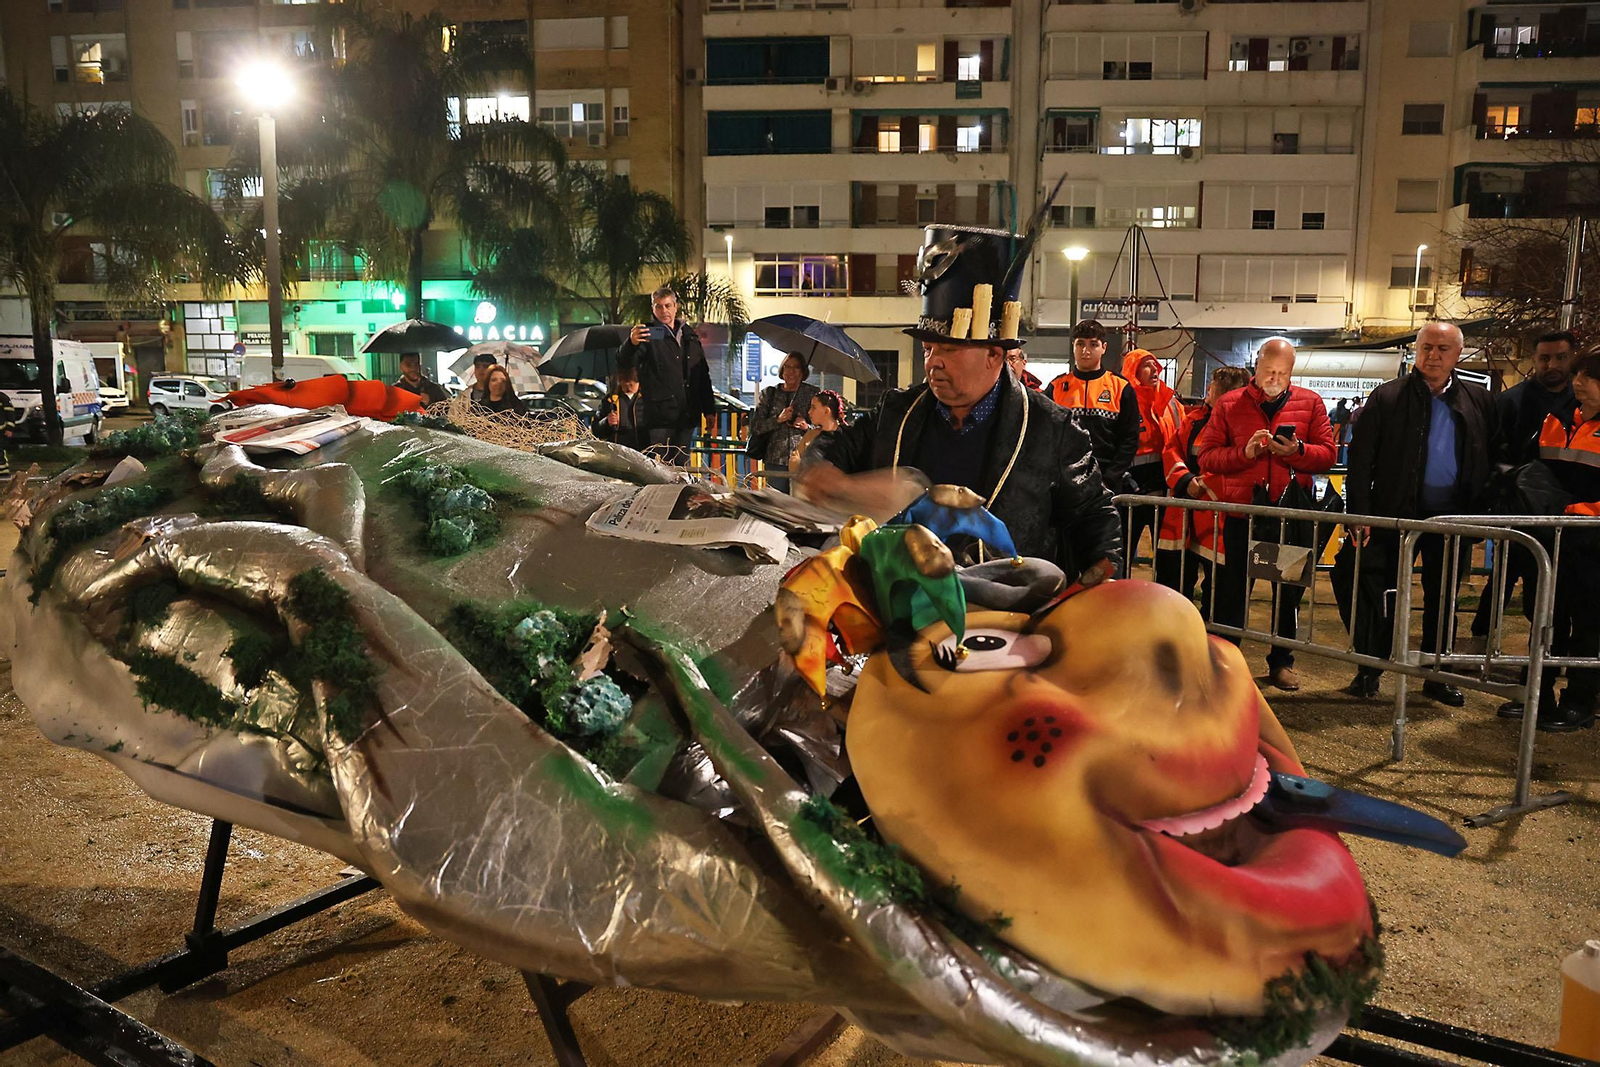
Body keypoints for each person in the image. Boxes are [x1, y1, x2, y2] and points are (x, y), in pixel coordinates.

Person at [799, 223, 1122, 583]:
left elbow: (1094, 515)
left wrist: (1100, 575)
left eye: (949, 350)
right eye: (928, 349)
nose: (933, 362)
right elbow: (832, 447)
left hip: (1007, 616)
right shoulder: (896, 413)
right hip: (897, 603)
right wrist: (822, 472)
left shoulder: (1052, 428)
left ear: (994, 356)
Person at [1335, 321, 1499, 703]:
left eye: (1443, 349)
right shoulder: (1387, 397)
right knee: (1377, 594)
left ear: (1458, 354)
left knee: (1444, 600)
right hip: (1393, 516)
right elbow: (1362, 461)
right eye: (1427, 347)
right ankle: (1369, 669)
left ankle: (1437, 675)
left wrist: (1484, 511)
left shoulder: (1479, 401)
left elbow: (1491, 457)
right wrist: (1359, 514)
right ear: (1416, 350)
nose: (1433, 355)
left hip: (1452, 520)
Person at [1196, 339, 1336, 691]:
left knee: (1287, 596)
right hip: (1244, 515)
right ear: (1255, 366)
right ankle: (1227, 662)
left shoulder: (1311, 402)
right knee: (1232, 594)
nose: (1275, 378)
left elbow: (1327, 454)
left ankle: (1282, 662)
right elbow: (1208, 456)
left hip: (1290, 516)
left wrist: (1297, 451)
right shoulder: (1229, 404)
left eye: (1283, 373)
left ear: (1292, 372)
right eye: (1269, 371)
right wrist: (1244, 453)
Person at [1469, 330, 1578, 656]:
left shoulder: (1582, 402)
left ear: (1572, 358)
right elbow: (1493, 452)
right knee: (1502, 578)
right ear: (1534, 359)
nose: (1552, 364)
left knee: (1548, 587)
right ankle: (1479, 643)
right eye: (1545, 358)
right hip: (1516, 509)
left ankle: (1546, 655)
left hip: (1565, 511)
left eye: (1560, 357)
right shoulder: (1511, 401)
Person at [1521, 352, 1600, 731]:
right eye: (1579, 375)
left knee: (1590, 623)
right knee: (1544, 619)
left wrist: (1578, 510)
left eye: (1590, 377)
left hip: (1592, 544)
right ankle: (1537, 695)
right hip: (1549, 540)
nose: (1579, 383)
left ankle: (1580, 701)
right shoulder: (1557, 418)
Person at [1155, 366, 1252, 618]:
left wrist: (1203, 486)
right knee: (1174, 582)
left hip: (1220, 519)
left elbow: (1238, 463)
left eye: (1212, 386)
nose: (1207, 389)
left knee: (1221, 591)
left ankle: (1215, 644)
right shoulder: (1195, 418)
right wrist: (1185, 479)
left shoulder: (1243, 423)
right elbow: (1172, 449)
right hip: (1185, 513)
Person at [620, 286, 716, 465]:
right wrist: (631, 344)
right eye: (659, 306)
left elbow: (702, 375)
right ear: (653, 308)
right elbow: (625, 361)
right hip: (660, 417)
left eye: (667, 305)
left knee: (681, 469)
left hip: (687, 414)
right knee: (660, 468)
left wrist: (709, 408)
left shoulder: (689, 335)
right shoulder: (647, 334)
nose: (664, 310)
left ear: (675, 306)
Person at [1045, 319, 1141, 490]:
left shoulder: (1120, 387)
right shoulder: (1056, 387)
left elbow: (1130, 439)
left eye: (1093, 345)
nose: (1085, 351)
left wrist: (1110, 479)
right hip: (1064, 483)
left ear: (1104, 347)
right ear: (1073, 346)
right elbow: (1044, 435)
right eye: (1080, 344)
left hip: (1107, 484)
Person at [1119, 348, 1182, 575]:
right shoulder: (1121, 401)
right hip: (1130, 494)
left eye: (1155, 364)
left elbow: (1180, 442)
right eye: (1146, 364)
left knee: (1167, 557)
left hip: (1165, 495)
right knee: (1121, 555)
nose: (1154, 369)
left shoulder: (1170, 403)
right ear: (1132, 370)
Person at [749, 352, 820, 479]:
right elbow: (756, 427)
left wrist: (806, 426)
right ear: (782, 370)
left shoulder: (812, 394)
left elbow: (822, 427)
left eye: (796, 367)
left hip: (804, 459)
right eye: (787, 367)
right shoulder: (769, 393)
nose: (791, 371)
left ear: (803, 371)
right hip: (775, 460)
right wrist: (778, 419)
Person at [592, 365, 647, 451]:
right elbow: (596, 430)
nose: (629, 388)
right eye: (625, 385)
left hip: (643, 452)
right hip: (617, 453)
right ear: (620, 381)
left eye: (631, 385)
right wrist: (607, 422)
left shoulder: (648, 399)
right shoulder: (609, 401)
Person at [791, 389, 843, 471]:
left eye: (813, 407)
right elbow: (794, 460)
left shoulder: (845, 436)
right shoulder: (811, 435)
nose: (809, 412)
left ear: (826, 411)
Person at [1330, 398, 1352, 463]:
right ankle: (1340, 460)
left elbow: (1329, 419)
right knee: (1342, 446)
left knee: (1334, 444)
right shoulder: (1346, 411)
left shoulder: (1333, 410)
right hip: (1343, 430)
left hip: (1335, 429)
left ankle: (1333, 459)